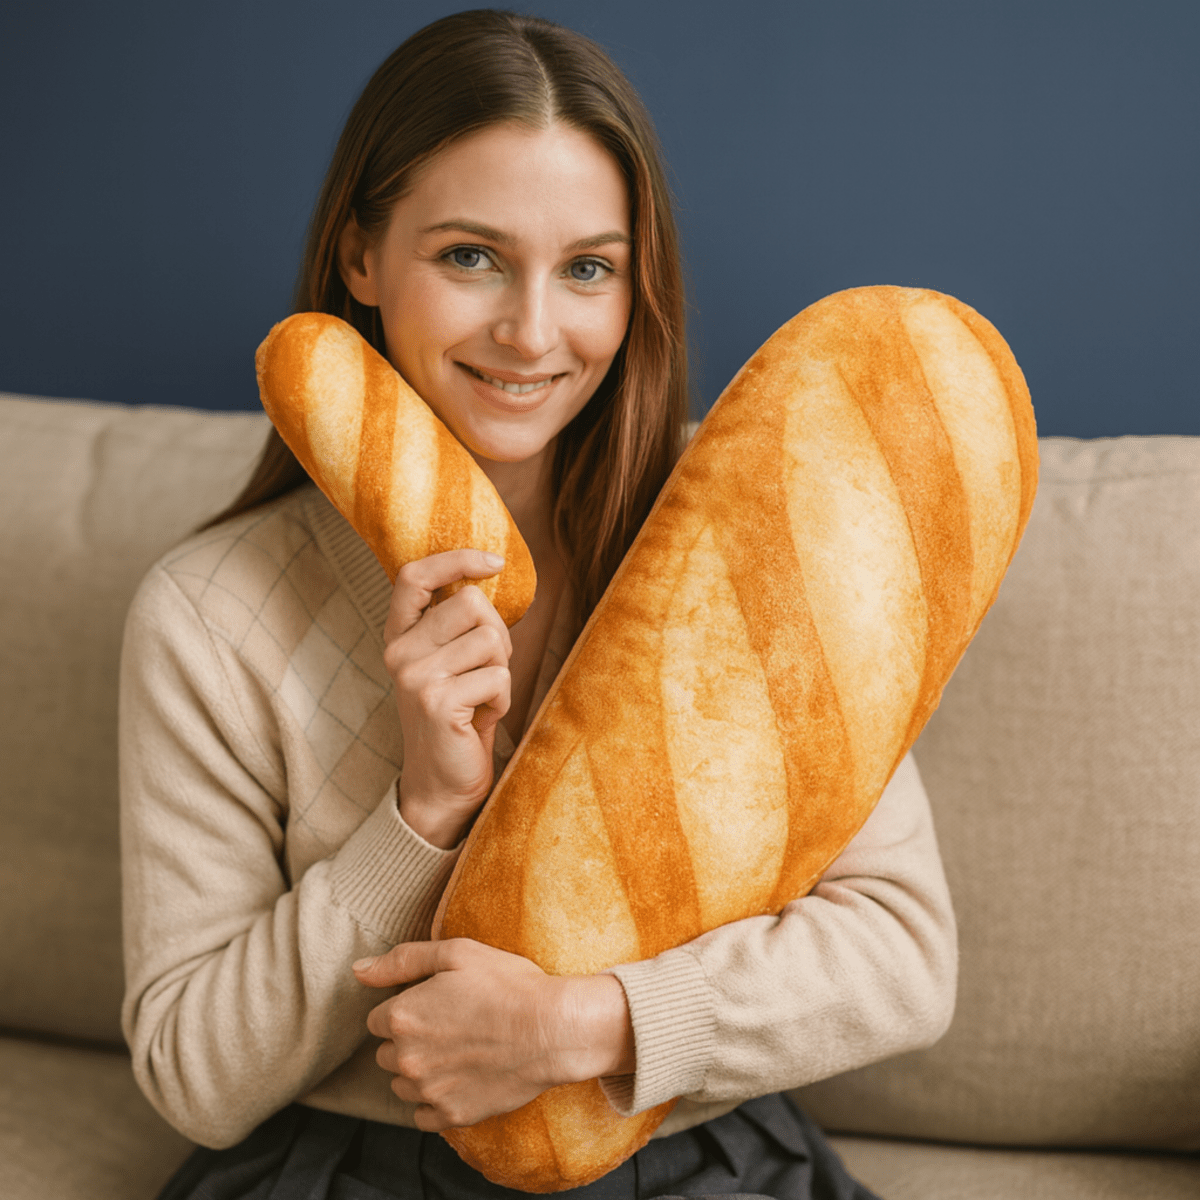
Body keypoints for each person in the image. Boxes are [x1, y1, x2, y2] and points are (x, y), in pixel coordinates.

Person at [118, 10, 957, 1200]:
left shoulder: (753, 539)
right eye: (470, 255)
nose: (531, 330)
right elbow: (191, 1075)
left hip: (687, 1156)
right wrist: (420, 816)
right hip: (352, 1167)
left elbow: (905, 960)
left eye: (587, 269)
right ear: (361, 256)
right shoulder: (206, 615)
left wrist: (586, 1025)